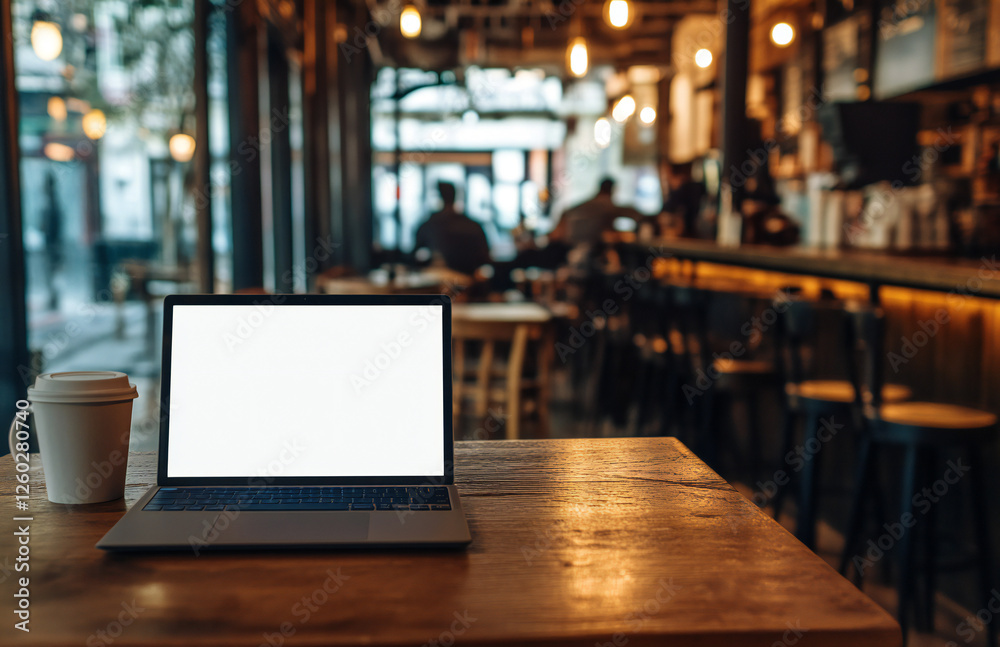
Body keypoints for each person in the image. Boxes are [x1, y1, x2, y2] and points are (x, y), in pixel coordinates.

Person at [414, 182, 490, 275]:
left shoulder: (430, 225)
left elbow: (415, 256)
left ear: (439, 198)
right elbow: (484, 258)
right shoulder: (473, 225)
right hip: (468, 279)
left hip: (441, 279)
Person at [549, 177, 641, 247]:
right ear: (612, 190)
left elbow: (565, 212)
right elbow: (630, 213)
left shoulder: (593, 201)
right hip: (587, 245)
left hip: (576, 243)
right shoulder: (605, 203)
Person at [659, 161, 706, 238]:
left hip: (685, 240)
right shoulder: (699, 188)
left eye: (664, 172)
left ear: (669, 170)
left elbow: (677, 227)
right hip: (701, 238)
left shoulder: (679, 194)